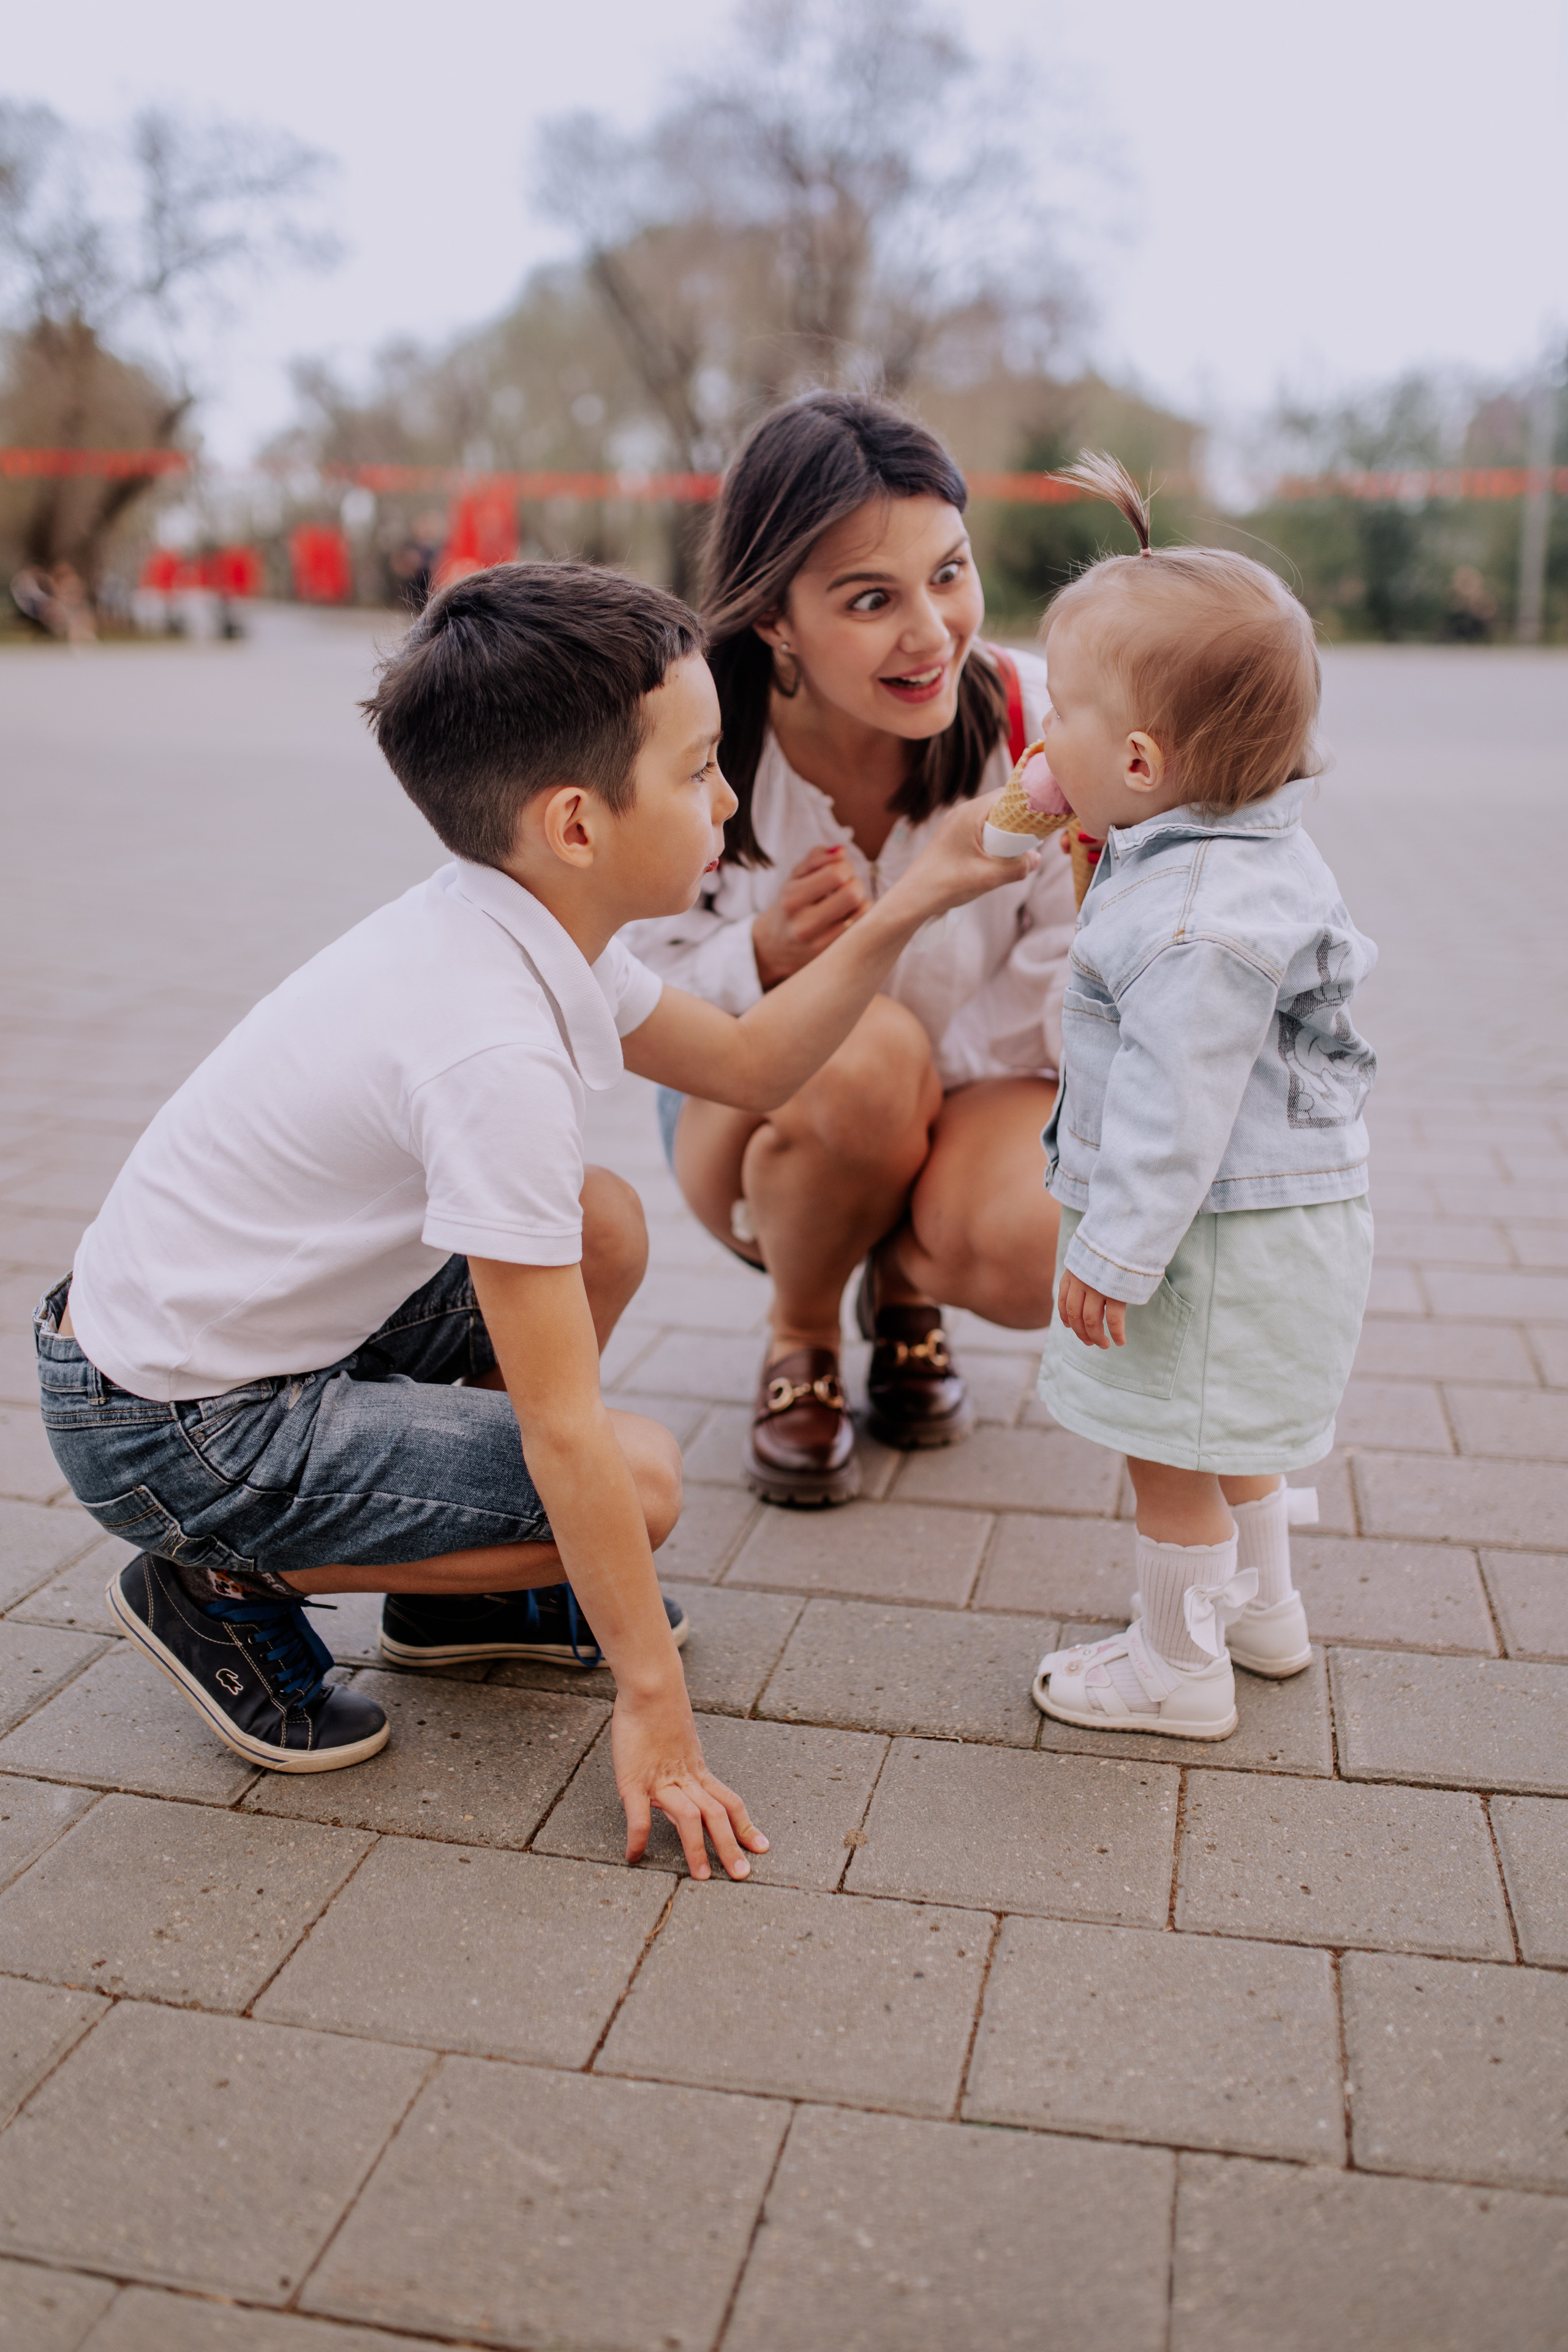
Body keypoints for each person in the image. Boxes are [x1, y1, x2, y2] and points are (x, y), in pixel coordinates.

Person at [34, 560, 1030, 1879]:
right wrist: (654, 1711)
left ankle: (465, 1600)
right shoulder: (485, 1048)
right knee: (639, 1481)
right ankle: (217, 1579)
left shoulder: (519, 919)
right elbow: (563, 1431)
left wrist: (914, 899)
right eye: (695, 773)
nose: (729, 803)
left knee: (598, 1223)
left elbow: (746, 1066)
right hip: (175, 1433)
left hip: (207, 1347)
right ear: (574, 823)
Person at [623, 393, 1078, 1504]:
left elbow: (1074, 968)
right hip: (750, 1109)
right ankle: (803, 1333)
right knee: (863, 1056)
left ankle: (902, 1285)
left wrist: (924, 1114)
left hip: (982, 1088)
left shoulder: (1041, 721)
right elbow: (621, 988)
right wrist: (763, 956)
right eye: (871, 599)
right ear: (776, 617)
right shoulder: (693, 739)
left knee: (1043, 1246)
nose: (932, 632)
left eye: (950, 573)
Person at [1026, 456, 1376, 1741]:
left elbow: (1177, 1102)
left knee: (1165, 1449)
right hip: (1276, 1222)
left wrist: (1113, 1254)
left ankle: (1174, 1668)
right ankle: (1262, 1613)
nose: (1039, 732)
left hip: (1201, 1237)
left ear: (1134, 755)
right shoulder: (1241, 852)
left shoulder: (1182, 920)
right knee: (1230, 1431)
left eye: (1056, 708)